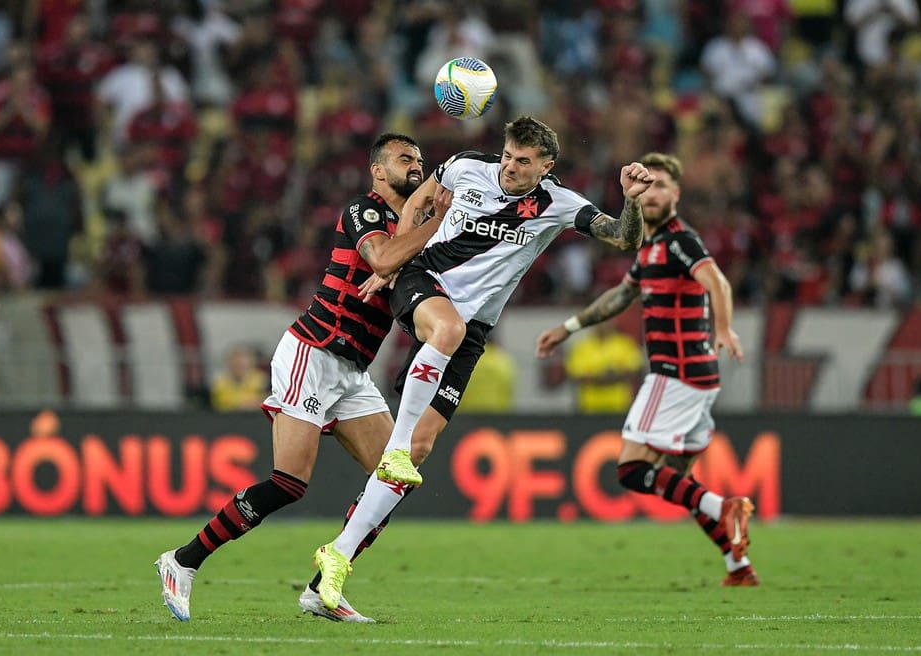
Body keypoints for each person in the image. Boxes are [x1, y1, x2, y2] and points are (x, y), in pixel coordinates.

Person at [312, 115, 650, 611]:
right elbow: (417, 207)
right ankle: (396, 449)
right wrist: (394, 266)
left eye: (524, 162)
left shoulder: (557, 203)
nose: (511, 168)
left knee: (422, 447)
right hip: (424, 283)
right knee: (442, 339)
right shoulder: (465, 166)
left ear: (546, 166)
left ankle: (335, 561)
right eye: (509, 156)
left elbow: (624, 237)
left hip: (472, 332)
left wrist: (633, 201)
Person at [154, 133, 450, 624]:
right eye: (404, 158)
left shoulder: (415, 229)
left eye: (420, 159)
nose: (416, 165)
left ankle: (322, 587)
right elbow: (379, 258)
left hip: (353, 371)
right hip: (312, 353)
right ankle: (183, 561)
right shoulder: (366, 210)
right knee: (290, 482)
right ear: (378, 170)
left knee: (394, 478)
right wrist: (435, 222)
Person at [536, 152, 758, 587]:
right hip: (698, 378)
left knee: (632, 470)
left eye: (661, 186)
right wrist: (569, 328)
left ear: (676, 193)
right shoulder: (651, 246)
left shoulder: (680, 240)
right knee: (679, 481)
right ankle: (738, 566)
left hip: (674, 373)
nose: (652, 193)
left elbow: (718, 282)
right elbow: (621, 296)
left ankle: (725, 508)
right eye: (647, 184)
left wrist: (725, 328)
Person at [563, 318, 644, 413]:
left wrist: (598, 376)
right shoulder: (581, 347)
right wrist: (609, 377)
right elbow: (576, 376)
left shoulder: (625, 344)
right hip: (589, 407)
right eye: (598, 322)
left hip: (619, 406)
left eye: (605, 321)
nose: (602, 325)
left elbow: (635, 372)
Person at [209, 344, 267, 412]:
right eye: (236, 364)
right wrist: (244, 404)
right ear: (229, 364)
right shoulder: (219, 384)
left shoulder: (261, 380)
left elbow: (268, 399)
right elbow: (221, 402)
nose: (238, 367)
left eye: (241, 365)